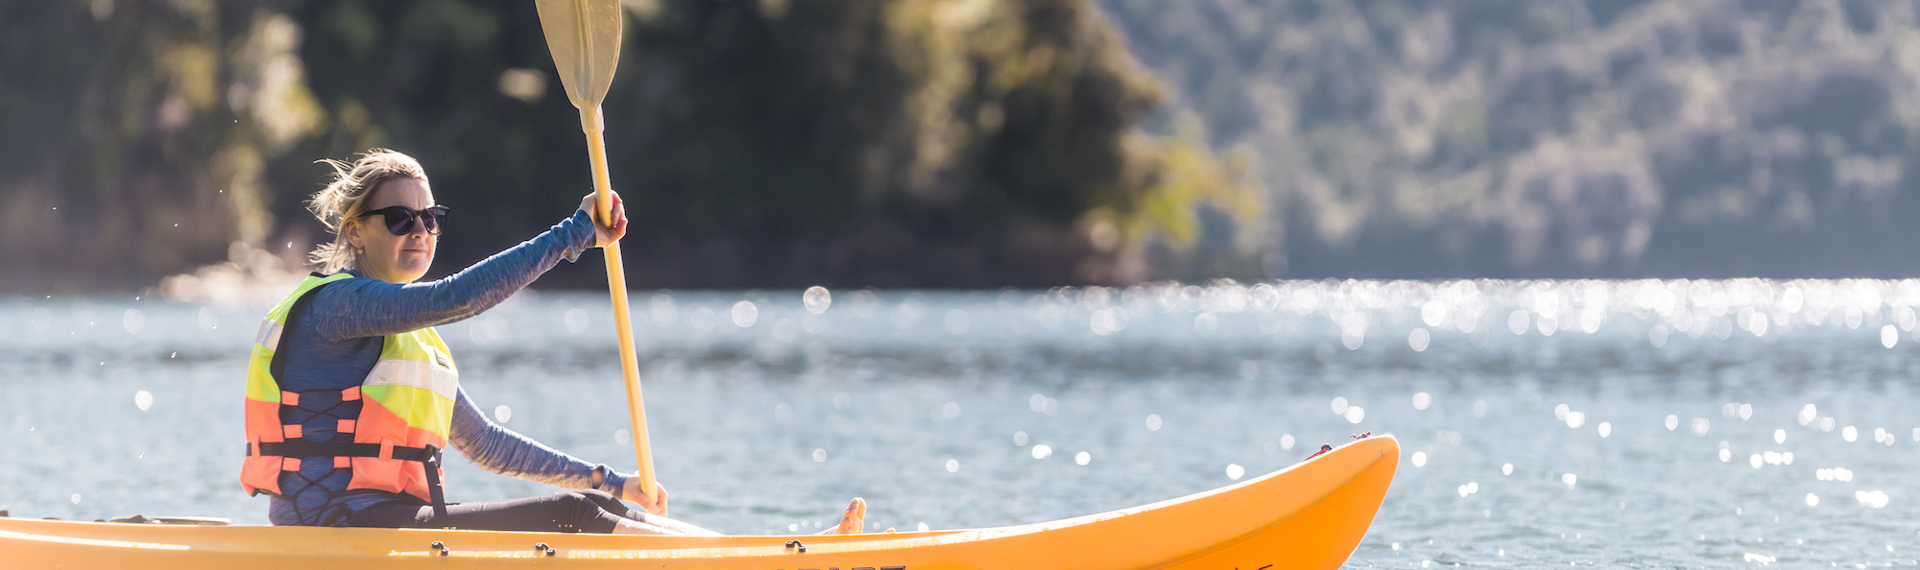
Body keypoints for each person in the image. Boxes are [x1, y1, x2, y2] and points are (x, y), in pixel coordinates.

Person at [240, 149, 867, 535]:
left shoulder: (409, 343)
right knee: (576, 517)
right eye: (400, 220)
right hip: (335, 531)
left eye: (432, 219)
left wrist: (609, 479)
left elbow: (486, 444)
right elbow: (453, 297)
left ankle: (761, 552)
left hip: (388, 528)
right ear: (355, 230)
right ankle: (776, 560)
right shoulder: (336, 307)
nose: (421, 232)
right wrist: (575, 235)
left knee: (600, 508)